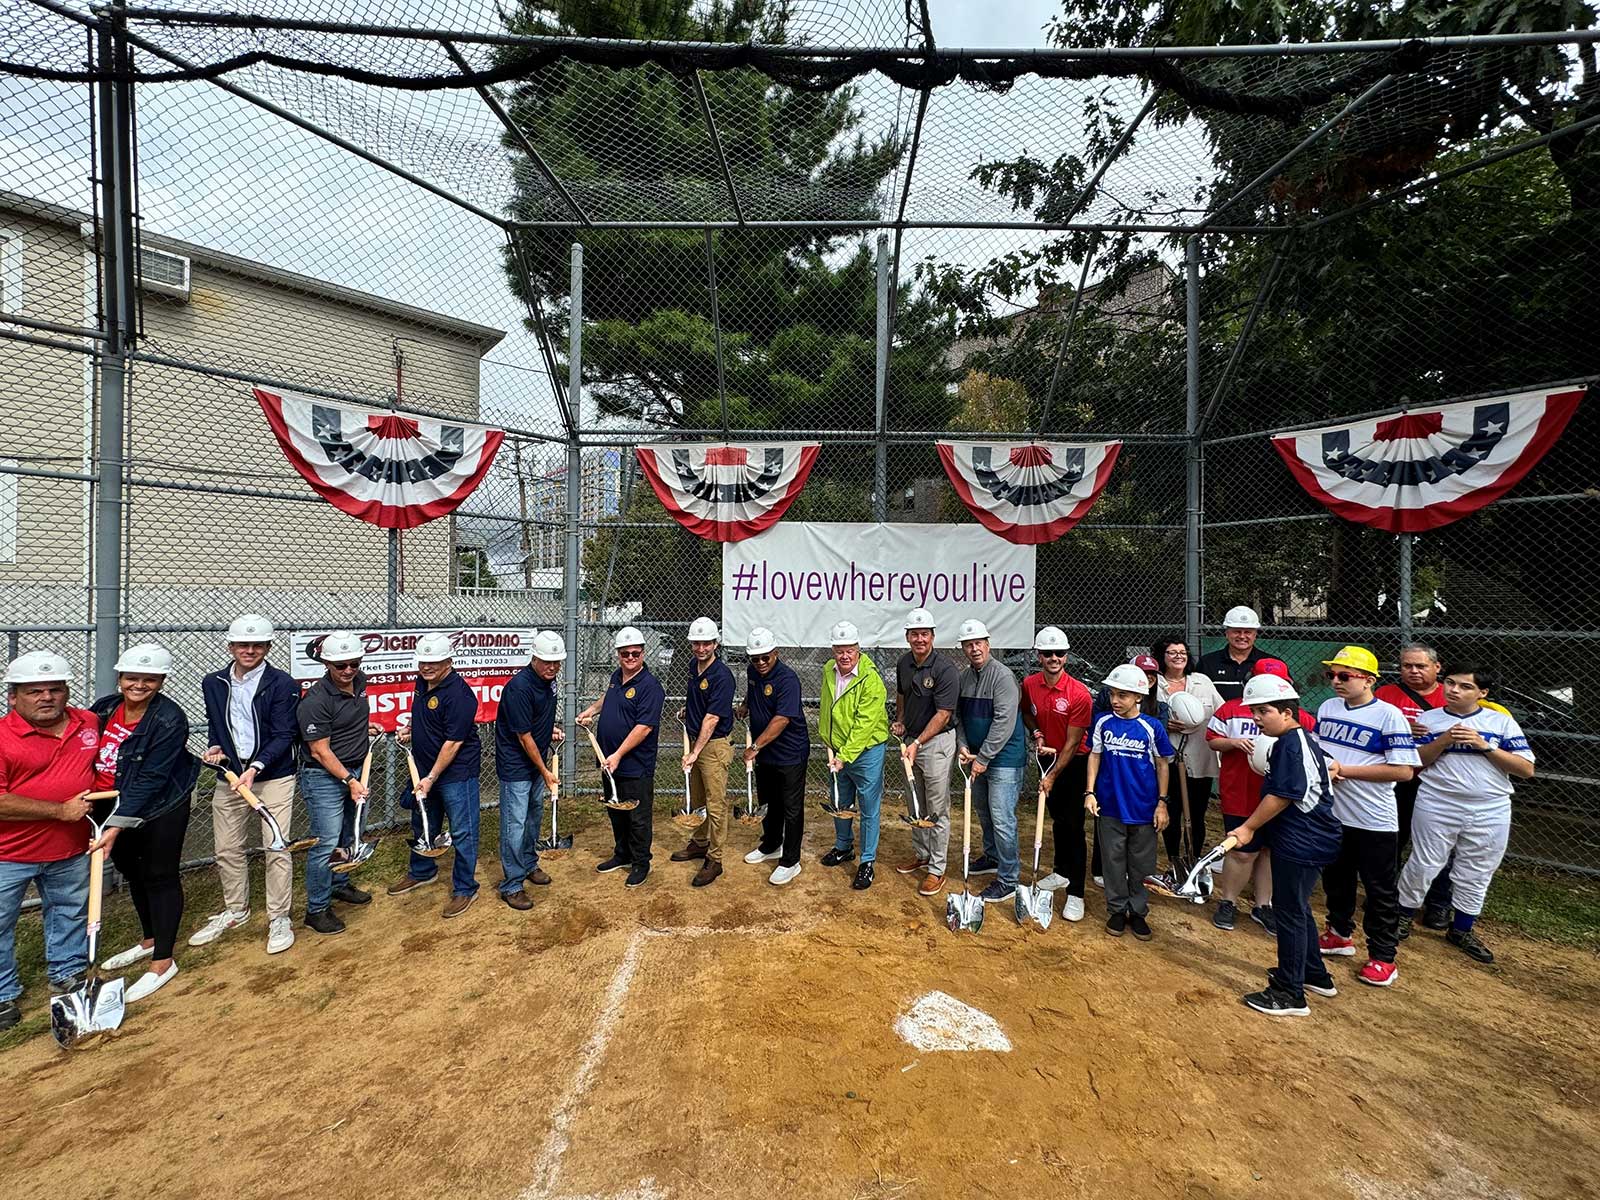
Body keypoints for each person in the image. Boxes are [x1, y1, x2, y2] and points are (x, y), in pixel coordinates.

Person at [1398, 665, 1534, 964]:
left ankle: (1462, 929)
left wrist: (1484, 745)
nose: (1453, 690)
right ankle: (1403, 917)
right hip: (1438, 801)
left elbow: (1525, 768)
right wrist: (1443, 740)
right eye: (1449, 683)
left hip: (1490, 806)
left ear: (1482, 693)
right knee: (1423, 862)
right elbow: (1415, 761)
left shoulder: (1500, 722)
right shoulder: (1429, 719)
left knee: (1478, 869)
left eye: (1464, 686)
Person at [89, 644, 199, 1003]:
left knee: (159, 874)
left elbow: (151, 778)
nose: (139, 685)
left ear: (161, 682)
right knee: (133, 872)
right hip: (109, 804)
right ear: (119, 678)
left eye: (149, 679)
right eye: (132, 678)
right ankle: (148, 938)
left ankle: (163, 960)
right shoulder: (105, 708)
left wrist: (117, 824)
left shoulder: (169, 719)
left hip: (160, 807)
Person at [1230, 674, 1343, 1018]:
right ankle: (1313, 973)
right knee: (1297, 905)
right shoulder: (1297, 740)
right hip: (1309, 835)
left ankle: (1289, 992)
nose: (1256, 718)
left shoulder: (1292, 744)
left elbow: (1283, 795)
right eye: (1254, 712)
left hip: (1304, 839)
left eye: (1263, 711)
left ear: (1287, 712)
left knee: (1289, 911)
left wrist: (1248, 828)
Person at [0, 651, 97, 1033]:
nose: (46, 697)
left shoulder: (86, 722)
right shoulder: (3, 737)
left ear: (67, 692)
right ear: (13, 697)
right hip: (10, 852)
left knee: (68, 912)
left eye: (55, 689)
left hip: (70, 848)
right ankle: (4, 994)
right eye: (34, 691)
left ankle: (67, 973)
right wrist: (59, 811)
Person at [193, 614, 301, 955]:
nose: (249, 650)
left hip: (273, 776)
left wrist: (256, 767)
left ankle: (279, 916)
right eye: (243, 644)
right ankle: (236, 910)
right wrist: (215, 746)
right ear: (231, 646)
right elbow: (218, 723)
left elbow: (285, 733)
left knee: (276, 846)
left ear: (268, 648)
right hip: (230, 776)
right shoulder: (213, 682)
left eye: (257, 645)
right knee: (227, 848)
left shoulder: (282, 684)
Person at [1315, 645, 1421, 988]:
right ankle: (1339, 933)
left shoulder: (1387, 715)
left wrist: (1345, 769)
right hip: (1334, 812)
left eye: (1345, 676)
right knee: (1336, 878)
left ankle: (1383, 956)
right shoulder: (1329, 707)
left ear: (1370, 680)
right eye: (1332, 675)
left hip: (1373, 818)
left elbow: (1404, 771)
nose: (1336, 681)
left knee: (1379, 889)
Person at [1205, 658, 1315, 934]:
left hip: (1282, 796)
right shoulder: (1231, 709)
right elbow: (1212, 739)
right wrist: (1233, 742)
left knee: (1269, 851)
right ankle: (1228, 901)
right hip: (1241, 790)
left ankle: (1263, 904)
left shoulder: (1298, 718)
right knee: (1242, 851)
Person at [388, 632, 483, 917]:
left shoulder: (460, 695)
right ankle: (421, 870)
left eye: (434, 662)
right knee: (424, 824)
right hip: (426, 769)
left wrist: (430, 778)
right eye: (423, 661)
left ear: (449, 662)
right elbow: (425, 718)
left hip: (456, 773)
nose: (427, 666)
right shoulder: (423, 683)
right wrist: (410, 729)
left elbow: (453, 743)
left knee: (463, 830)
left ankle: (465, 888)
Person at [297, 632, 382, 933]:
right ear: (327, 664)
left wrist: (363, 729)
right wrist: (349, 780)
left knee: (351, 832)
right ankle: (316, 909)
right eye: (340, 665)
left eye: (354, 663)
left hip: (356, 769)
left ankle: (339, 883)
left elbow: (348, 720)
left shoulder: (360, 682)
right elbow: (319, 750)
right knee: (326, 842)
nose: (348, 671)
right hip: (325, 777)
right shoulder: (316, 700)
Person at [1085, 663, 1173, 940]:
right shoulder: (1102, 722)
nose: (1115, 700)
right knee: (1112, 859)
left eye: (1122, 695)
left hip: (1144, 806)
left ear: (1139, 696)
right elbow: (1095, 756)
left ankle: (1137, 910)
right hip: (1110, 804)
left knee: (1142, 861)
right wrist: (1090, 792)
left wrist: (1162, 803)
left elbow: (1162, 765)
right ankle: (1116, 907)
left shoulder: (1152, 726)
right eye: (1112, 694)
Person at [578, 626, 664, 889]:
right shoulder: (617, 677)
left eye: (635, 653)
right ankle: (622, 854)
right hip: (609, 760)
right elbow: (609, 696)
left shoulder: (650, 687)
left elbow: (644, 727)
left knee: (637, 816)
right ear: (618, 654)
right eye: (625, 653)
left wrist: (618, 754)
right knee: (616, 810)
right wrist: (591, 710)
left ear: (643, 653)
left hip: (633, 763)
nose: (630, 657)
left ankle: (641, 862)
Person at [1375, 642, 1453, 926]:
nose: (1413, 671)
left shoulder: (1451, 695)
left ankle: (1439, 903)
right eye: (1407, 666)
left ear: (1437, 667)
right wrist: (1400, 729)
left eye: (1420, 666)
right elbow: (1372, 729)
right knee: (1393, 840)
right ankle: (1387, 896)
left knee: (1437, 845)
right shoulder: (1386, 694)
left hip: (1438, 781)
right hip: (1397, 779)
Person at [1019, 625, 1093, 921]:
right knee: (1058, 821)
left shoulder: (1079, 694)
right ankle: (1061, 873)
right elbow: (1027, 712)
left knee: (1074, 826)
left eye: (1059, 653)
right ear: (1039, 656)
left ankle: (1076, 893)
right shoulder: (1029, 684)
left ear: (1066, 656)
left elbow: (1074, 742)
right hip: (1048, 757)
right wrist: (1036, 732)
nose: (1054, 658)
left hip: (1074, 763)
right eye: (1048, 653)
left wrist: (1051, 777)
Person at [955, 619, 1026, 906]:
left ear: (988, 644)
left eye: (978, 643)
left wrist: (983, 758)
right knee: (984, 811)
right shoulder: (964, 677)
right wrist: (962, 745)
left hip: (1004, 759)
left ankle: (1009, 879)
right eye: (968, 644)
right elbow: (958, 717)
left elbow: (1004, 722)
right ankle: (992, 857)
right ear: (963, 648)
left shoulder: (1003, 677)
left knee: (1002, 818)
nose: (974, 649)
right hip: (976, 757)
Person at [494, 631, 566, 910]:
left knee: (534, 816)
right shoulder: (520, 688)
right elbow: (524, 736)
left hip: (536, 761)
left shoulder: (549, 682)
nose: (552, 666)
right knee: (515, 824)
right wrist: (545, 770)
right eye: (547, 661)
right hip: (517, 766)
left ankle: (528, 863)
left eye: (557, 662)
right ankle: (512, 884)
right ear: (533, 658)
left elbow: (537, 722)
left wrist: (549, 731)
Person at [891, 608, 959, 898]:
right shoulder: (904, 663)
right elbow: (902, 695)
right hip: (912, 741)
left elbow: (943, 714)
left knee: (937, 807)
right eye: (914, 634)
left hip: (935, 743)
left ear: (933, 636)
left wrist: (918, 743)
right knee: (914, 803)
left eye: (925, 634)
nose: (920, 639)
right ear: (907, 636)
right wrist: (901, 720)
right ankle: (922, 855)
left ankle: (937, 868)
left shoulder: (945, 669)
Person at [818, 621, 889, 890]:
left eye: (850, 650)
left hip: (866, 752)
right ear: (833, 650)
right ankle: (843, 847)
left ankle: (867, 861)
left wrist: (845, 756)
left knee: (869, 807)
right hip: (837, 750)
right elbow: (828, 708)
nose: (844, 656)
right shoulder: (828, 670)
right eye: (839, 650)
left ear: (858, 650)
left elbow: (864, 725)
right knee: (840, 800)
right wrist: (828, 739)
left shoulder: (871, 681)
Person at [669, 617, 736, 888]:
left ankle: (715, 859)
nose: (700, 648)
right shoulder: (692, 667)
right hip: (697, 740)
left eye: (706, 643)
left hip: (714, 745)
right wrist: (689, 711)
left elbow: (712, 719)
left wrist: (695, 752)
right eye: (696, 643)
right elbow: (697, 700)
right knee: (697, 798)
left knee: (715, 803)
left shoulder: (722, 676)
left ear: (715, 644)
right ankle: (699, 843)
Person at [739, 628, 809, 885]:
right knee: (768, 801)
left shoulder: (788, 679)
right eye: (754, 658)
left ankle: (791, 861)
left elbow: (781, 719)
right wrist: (746, 705)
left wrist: (754, 747)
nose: (759, 663)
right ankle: (771, 845)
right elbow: (752, 690)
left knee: (791, 807)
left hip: (790, 752)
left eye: (765, 658)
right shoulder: (752, 672)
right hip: (766, 752)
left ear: (775, 653)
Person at [1151, 637, 1222, 869]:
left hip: (1199, 756)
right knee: (1172, 812)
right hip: (1167, 758)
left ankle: (1193, 859)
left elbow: (1221, 712)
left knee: (1197, 812)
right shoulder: (1154, 683)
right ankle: (1174, 861)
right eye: (1172, 652)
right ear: (1162, 657)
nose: (1179, 656)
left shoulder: (1201, 681)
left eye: (1182, 652)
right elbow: (1144, 713)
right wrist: (1163, 723)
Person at [1197, 605, 1267, 705]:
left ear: (1255, 635)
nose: (1242, 636)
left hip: (1257, 719)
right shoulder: (1207, 662)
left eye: (1247, 632)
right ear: (1227, 633)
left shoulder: (1270, 662)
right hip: (1217, 719)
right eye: (1236, 631)